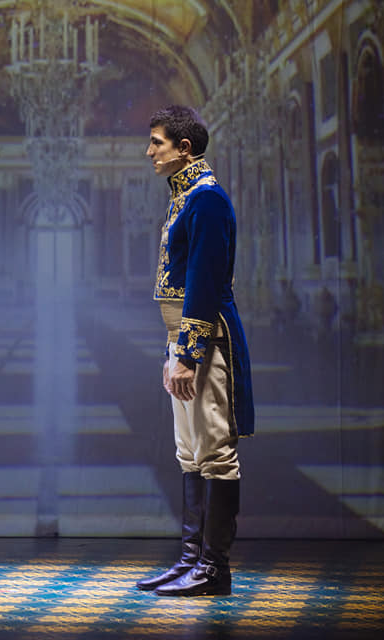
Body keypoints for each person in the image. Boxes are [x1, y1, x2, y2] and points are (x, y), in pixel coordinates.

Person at [136, 106, 254, 597]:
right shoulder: (184, 197)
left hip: (205, 342)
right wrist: (173, 351)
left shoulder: (206, 199)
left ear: (184, 148)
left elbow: (204, 283)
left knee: (215, 452)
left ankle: (213, 567)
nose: (149, 151)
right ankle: (191, 559)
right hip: (181, 340)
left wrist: (187, 354)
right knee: (189, 453)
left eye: (157, 142)